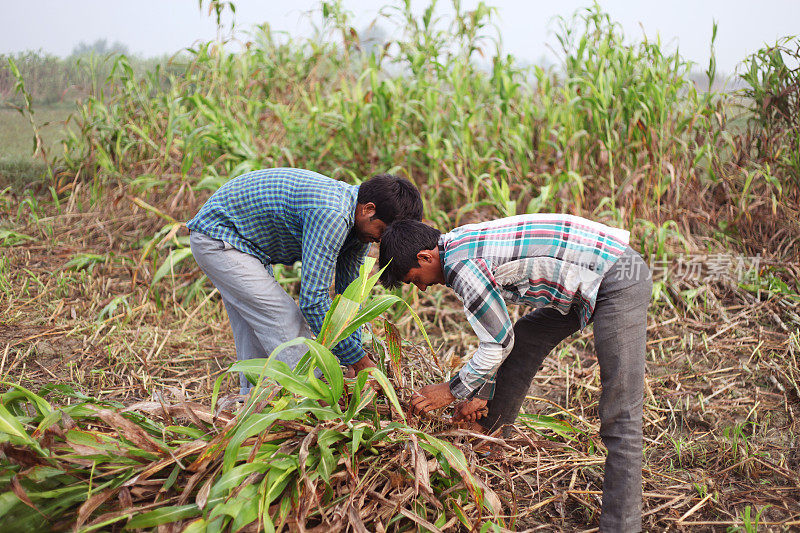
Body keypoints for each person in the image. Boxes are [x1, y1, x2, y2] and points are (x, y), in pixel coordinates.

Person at [377, 215, 652, 532]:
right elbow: (502, 336)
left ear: (425, 257)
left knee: (621, 413)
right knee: (528, 336)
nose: (423, 288)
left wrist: (452, 390)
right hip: (592, 275)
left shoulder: (463, 267)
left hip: (617, 277)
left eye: (416, 278)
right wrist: (479, 393)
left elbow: (497, 342)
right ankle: (489, 442)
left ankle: (622, 527)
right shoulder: (455, 245)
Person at [187, 167, 423, 394]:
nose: (380, 240)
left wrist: (355, 351)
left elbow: (347, 298)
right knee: (283, 317)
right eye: (382, 231)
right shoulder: (334, 214)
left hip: (244, 246)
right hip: (219, 237)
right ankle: (309, 398)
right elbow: (312, 301)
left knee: (258, 326)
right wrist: (357, 360)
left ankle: (253, 402)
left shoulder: (359, 228)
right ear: (368, 209)